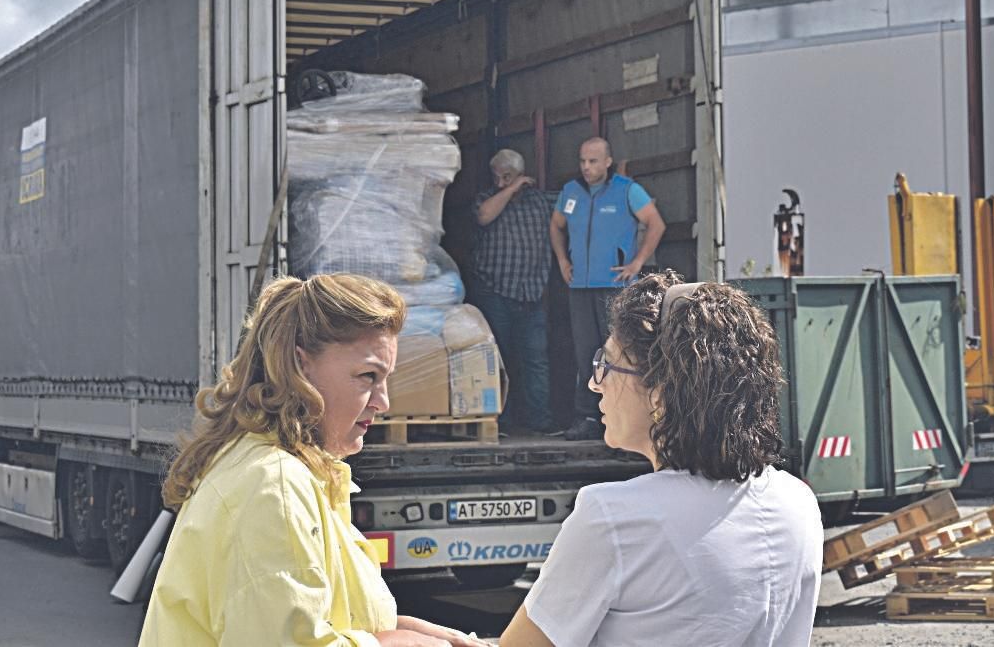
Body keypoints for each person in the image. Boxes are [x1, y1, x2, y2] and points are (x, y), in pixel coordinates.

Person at [140, 275, 488, 647]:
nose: (383, 402)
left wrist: (399, 631)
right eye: (367, 376)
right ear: (299, 366)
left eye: (386, 379)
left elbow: (318, 618)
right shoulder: (274, 487)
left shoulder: (284, 471)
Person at [500, 272, 823, 647]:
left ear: (660, 394)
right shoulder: (797, 503)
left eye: (606, 365)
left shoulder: (613, 517)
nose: (594, 383)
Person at [550, 137, 665, 440]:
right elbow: (555, 225)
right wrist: (563, 261)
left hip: (615, 287)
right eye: (582, 161)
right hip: (580, 287)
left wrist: (637, 262)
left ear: (607, 162)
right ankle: (587, 417)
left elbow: (656, 224)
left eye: (593, 161)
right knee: (585, 353)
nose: (586, 167)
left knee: (619, 353)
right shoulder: (570, 192)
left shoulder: (627, 190)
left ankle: (627, 416)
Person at [472, 148, 554, 433]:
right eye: (497, 176)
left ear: (521, 174)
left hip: (531, 294)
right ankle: (500, 422)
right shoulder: (487, 199)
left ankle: (539, 423)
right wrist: (511, 187)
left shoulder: (541, 203)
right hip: (496, 292)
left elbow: (573, 210)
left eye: (508, 176)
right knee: (498, 360)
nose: (501, 182)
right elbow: (483, 216)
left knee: (536, 361)